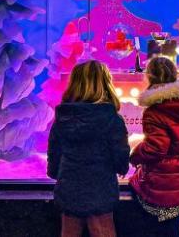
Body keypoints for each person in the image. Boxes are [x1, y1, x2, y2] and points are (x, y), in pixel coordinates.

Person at [47, 60, 130, 237]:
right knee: (103, 231)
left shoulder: (62, 118)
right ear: (105, 84)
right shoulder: (112, 119)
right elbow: (120, 155)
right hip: (100, 189)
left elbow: (54, 155)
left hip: (69, 188)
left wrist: (57, 174)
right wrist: (122, 168)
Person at [129, 57, 179, 236]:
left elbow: (156, 148)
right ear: (175, 73)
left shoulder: (154, 111)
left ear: (149, 77)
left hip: (163, 185)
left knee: (134, 187)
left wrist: (135, 156)